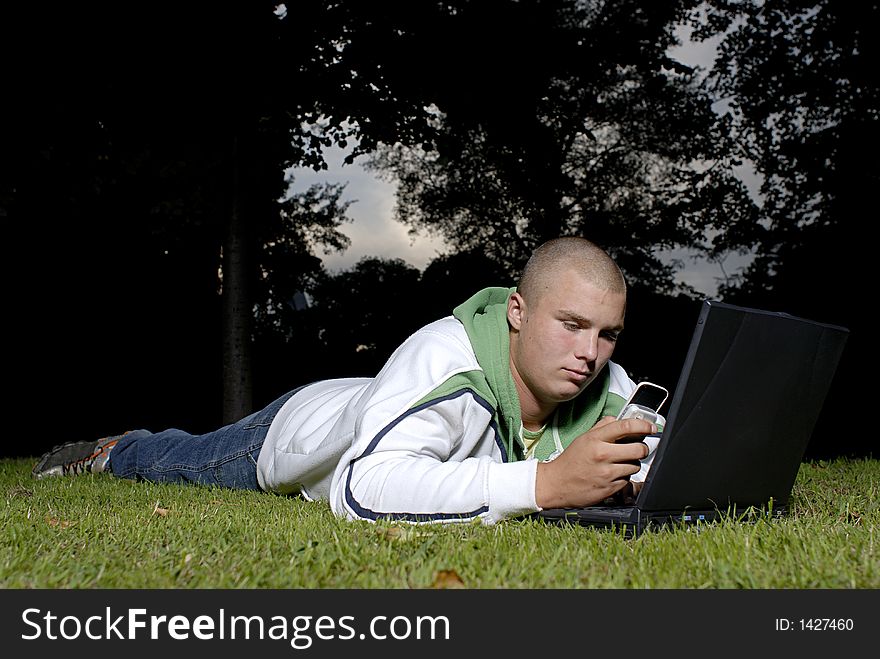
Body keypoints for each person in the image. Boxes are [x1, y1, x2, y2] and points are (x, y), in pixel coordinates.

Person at [33, 237, 660, 524]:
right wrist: (546, 482)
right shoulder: (445, 355)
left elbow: (660, 460)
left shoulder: (609, 387)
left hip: (380, 399)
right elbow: (363, 488)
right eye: (572, 324)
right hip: (301, 430)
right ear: (518, 311)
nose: (590, 354)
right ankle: (114, 448)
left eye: (607, 334)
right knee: (180, 459)